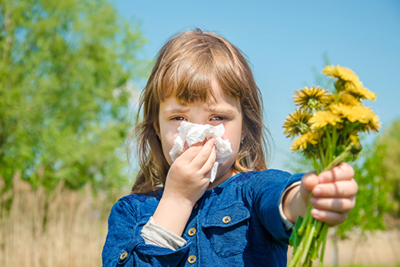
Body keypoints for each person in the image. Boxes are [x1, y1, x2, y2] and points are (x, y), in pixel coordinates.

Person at [102, 29, 358, 267]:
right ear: (157, 128)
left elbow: (283, 200)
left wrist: (309, 197)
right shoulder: (131, 212)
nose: (199, 136)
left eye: (218, 118)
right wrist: (177, 200)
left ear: (245, 127)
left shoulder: (253, 191)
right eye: (179, 118)